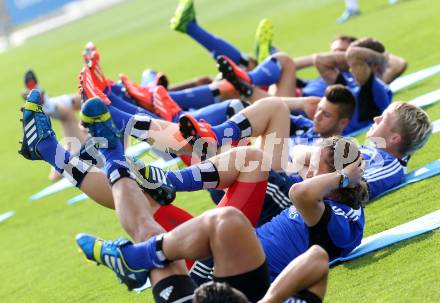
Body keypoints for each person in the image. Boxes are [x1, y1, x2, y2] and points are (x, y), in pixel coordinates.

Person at [22, 69, 87, 180]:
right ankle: (49, 104)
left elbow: (53, 177)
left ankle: (49, 105)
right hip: (82, 145)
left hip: (83, 150)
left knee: (68, 114)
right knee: (81, 101)